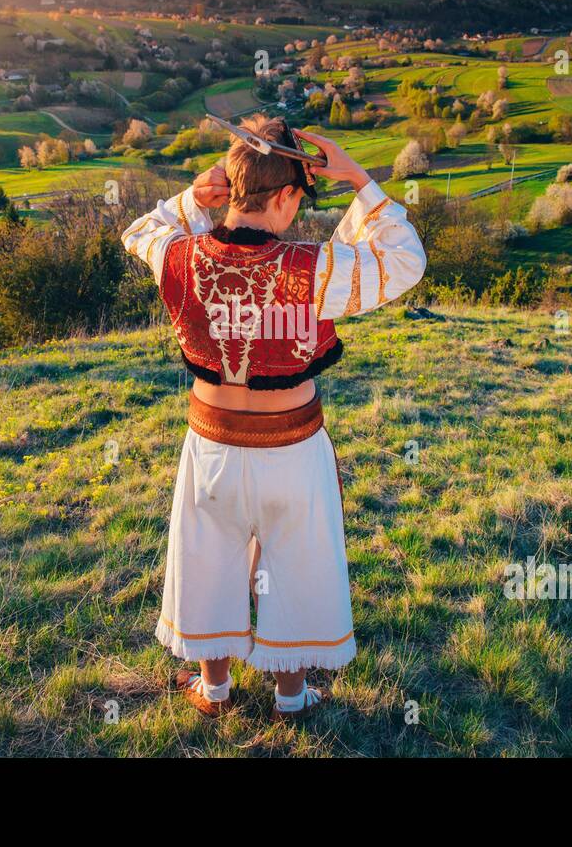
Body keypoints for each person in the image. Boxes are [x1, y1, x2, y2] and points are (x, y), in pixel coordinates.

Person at [121, 114, 426, 719]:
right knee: (292, 562)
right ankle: (291, 697)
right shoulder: (316, 271)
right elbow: (405, 258)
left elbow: (141, 231)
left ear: (231, 188)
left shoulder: (179, 257)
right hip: (290, 450)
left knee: (208, 560)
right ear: (287, 195)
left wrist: (191, 198)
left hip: (210, 445)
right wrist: (359, 178)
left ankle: (213, 692)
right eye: (297, 199)